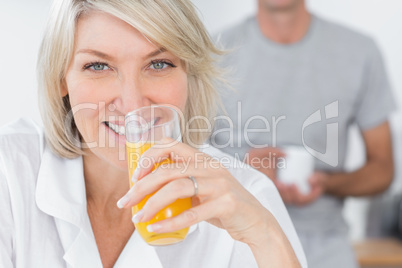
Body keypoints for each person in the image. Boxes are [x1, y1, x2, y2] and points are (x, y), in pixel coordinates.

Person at [0, 0, 307, 267]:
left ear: (189, 73)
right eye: (98, 66)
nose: (132, 104)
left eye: (158, 64)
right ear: (60, 79)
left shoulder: (245, 193)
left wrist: (265, 235)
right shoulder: (9, 172)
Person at [211, 0, 396, 267]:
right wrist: (244, 171)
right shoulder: (211, 51)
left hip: (324, 246)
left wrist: (327, 184)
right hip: (232, 239)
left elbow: (383, 169)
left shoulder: (360, 52)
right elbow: (183, 156)